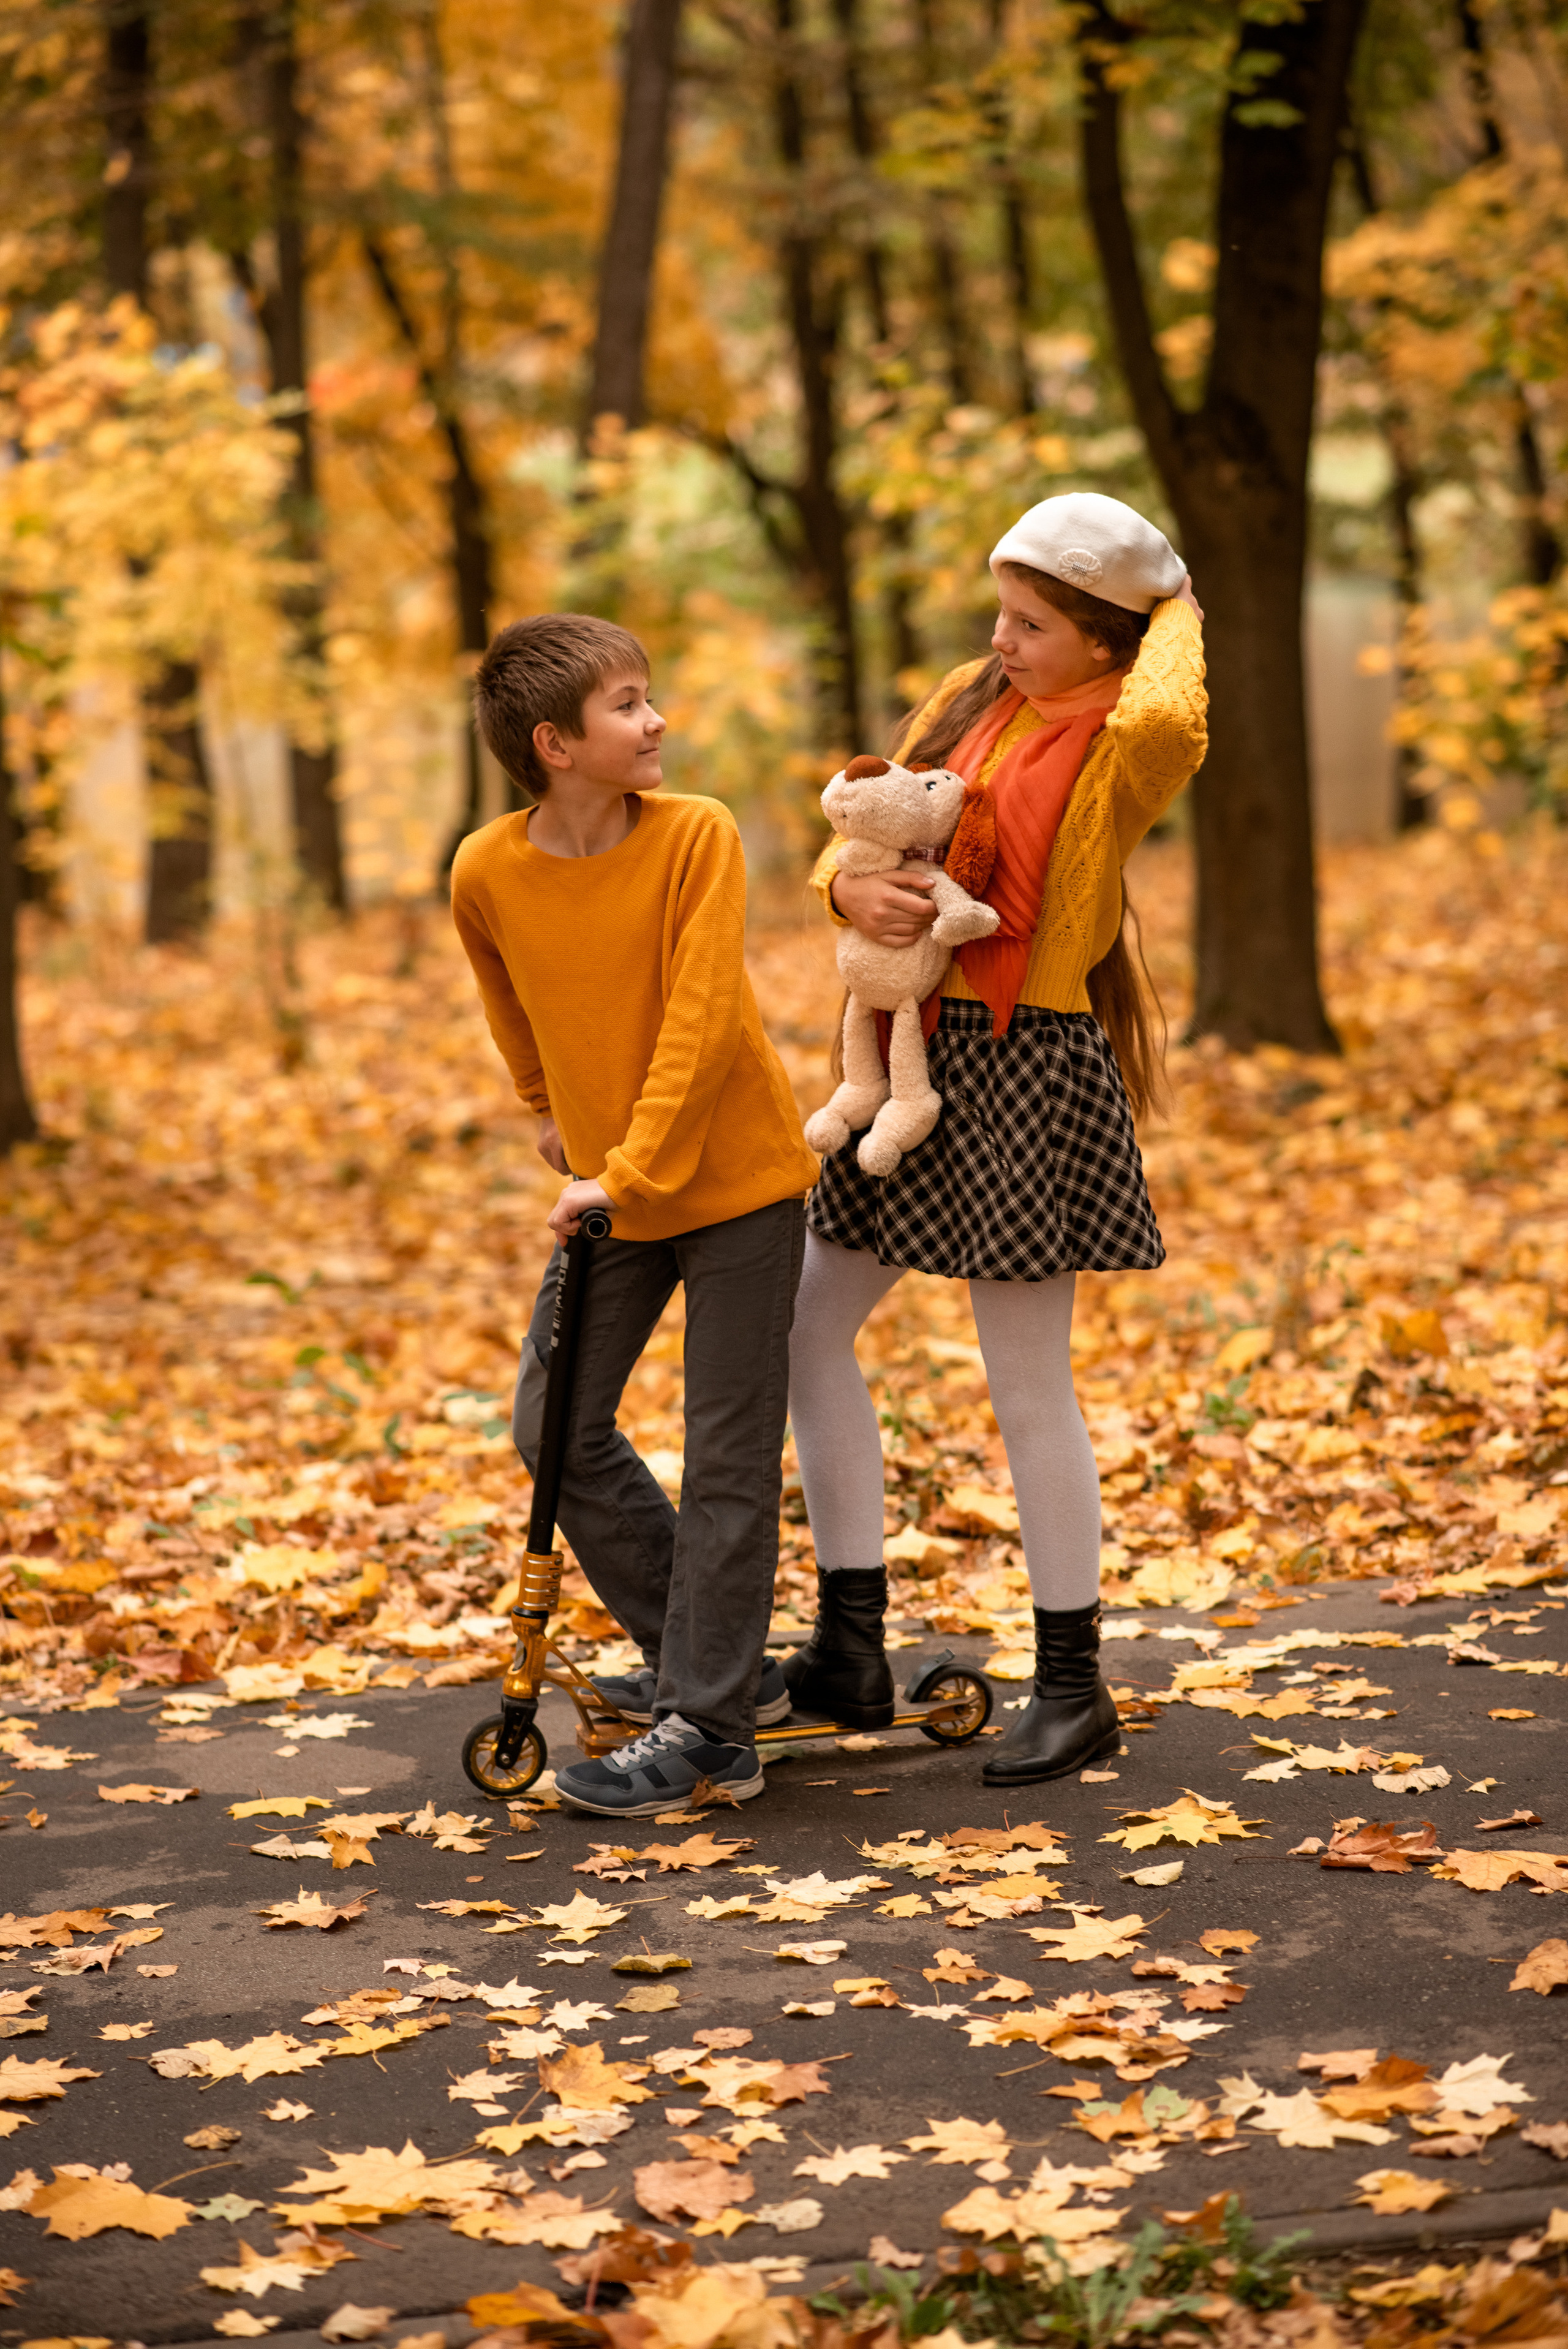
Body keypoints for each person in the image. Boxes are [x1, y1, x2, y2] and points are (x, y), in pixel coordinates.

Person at [785, 492, 1207, 1783]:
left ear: (1102, 637)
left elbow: (1169, 708)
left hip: (1024, 1071)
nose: (1000, 637)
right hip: (910, 1050)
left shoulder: (1123, 742)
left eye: (1031, 621)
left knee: (1023, 1384)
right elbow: (864, 826)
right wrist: (841, 886)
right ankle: (850, 1642)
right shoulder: (973, 708)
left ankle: (1072, 1686)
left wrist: (1173, 600)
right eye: (1000, 611)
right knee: (798, 1326)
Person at [451, 613, 818, 1817]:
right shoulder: (486, 870)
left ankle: (710, 1727)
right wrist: (550, 1109)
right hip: (613, 1187)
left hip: (733, 1188)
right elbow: (509, 998)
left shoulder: (694, 838)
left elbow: (703, 1021)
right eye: (625, 704)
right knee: (550, 1417)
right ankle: (707, 1660)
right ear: (554, 744)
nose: (654, 720)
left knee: (724, 1453)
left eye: (647, 697)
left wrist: (628, 1169)